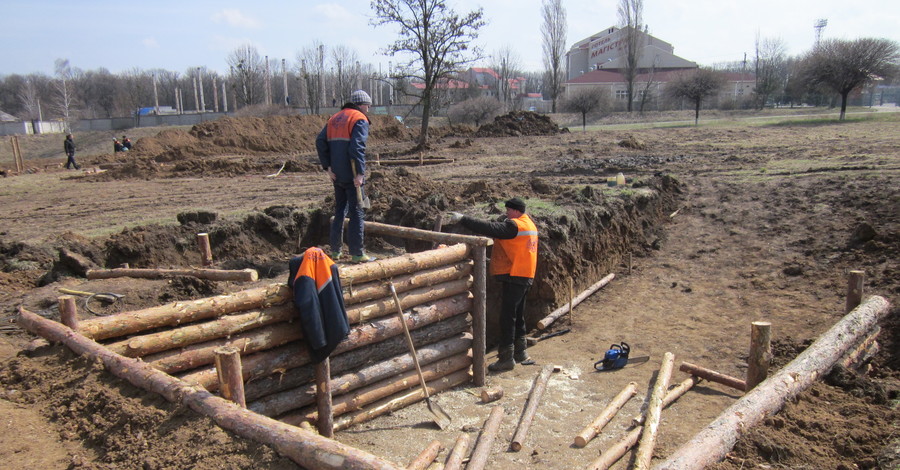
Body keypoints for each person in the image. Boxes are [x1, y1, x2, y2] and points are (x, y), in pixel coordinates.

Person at [446, 197, 539, 372]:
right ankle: (520, 352)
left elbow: (490, 228)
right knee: (518, 315)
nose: (506, 213)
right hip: (524, 274)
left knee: (507, 317)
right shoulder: (529, 224)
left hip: (516, 274)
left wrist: (463, 219)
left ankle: (506, 358)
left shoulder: (514, 225)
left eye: (509, 210)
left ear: (517, 211)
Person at [316, 89, 374, 263]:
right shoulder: (359, 119)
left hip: (337, 174)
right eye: (367, 105)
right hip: (351, 173)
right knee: (357, 211)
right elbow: (357, 148)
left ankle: (336, 251)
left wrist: (328, 167)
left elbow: (320, 141)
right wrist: (360, 174)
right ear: (361, 105)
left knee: (340, 210)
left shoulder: (334, 118)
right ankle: (357, 253)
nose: (368, 109)